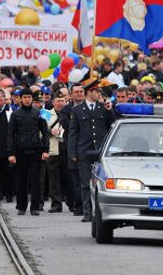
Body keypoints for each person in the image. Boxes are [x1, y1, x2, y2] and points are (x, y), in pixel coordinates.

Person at [68, 78, 116, 222]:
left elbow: (112, 125)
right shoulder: (77, 110)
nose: (99, 94)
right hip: (84, 150)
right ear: (90, 92)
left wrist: (110, 110)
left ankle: (99, 212)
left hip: (100, 152)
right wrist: (72, 152)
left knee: (100, 183)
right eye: (96, 91)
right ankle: (87, 213)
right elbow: (73, 132)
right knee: (85, 183)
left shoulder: (102, 108)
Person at [6, 88, 50, 216]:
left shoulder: (39, 113)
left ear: (32, 99)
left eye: (29, 97)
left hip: (36, 151)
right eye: (24, 97)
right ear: (20, 98)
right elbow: (10, 135)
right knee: (21, 180)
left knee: (35, 181)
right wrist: (10, 153)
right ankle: (21, 206)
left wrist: (45, 150)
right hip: (20, 152)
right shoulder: (15, 114)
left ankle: (35, 207)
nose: (27, 99)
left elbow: (45, 133)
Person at [60, 83, 85, 216]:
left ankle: (87, 205)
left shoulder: (88, 107)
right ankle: (77, 205)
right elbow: (67, 125)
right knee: (75, 180)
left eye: (81, 91)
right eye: (77, 92)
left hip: (86, 148)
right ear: (71, 95)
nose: (79, 94)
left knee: (85, 180)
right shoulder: (66, 110)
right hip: (72, 147)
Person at [43, 90, 67, 213]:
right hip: (53, 149)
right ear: (53, 102)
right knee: (54, 179)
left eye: (62, 101)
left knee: (68, 178)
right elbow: (40, 131)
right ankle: (56, 204)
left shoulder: (69, 112)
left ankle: (72, 203)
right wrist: (49, 131)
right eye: (58, 101)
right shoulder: (46, 114)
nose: (60, 103)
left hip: (66, 149)